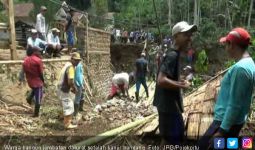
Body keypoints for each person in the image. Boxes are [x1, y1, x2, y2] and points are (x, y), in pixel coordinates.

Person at [198, 28, 255, 149]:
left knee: (203, 146)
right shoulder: (249, 63)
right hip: (235, 121)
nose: (225, 48)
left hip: (225, 123)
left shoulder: (240, 69)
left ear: (232, 45)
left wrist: (221, 132)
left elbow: (235, 104)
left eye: (226, 44)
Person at [153, 21, 197, 145]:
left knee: (168, 139)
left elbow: (166, 77)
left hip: (169, 106)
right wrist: (181, 85)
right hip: (168, 107)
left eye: (190, 35)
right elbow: (161, 80)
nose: (190, 38)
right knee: (174, 140)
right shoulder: (172, 55)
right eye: (186, 34)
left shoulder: (175, 54)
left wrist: (178, 81)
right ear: (176, 36)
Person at [57, 52, 81, 129]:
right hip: (64, 89)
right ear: (72, 59)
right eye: (76, 60)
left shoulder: (66, 65)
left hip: (60, 88)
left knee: (66, 104)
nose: (77, 62)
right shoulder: (71, 68)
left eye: (78, 60)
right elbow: (70, 81)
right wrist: (74, 88)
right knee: (69, 106)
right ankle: (67, 124)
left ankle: (65, 120)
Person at [22, 47, 45, 117]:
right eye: (39, 52)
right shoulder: (38, 60)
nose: (40, 53)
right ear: (35, 52)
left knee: (35, 90)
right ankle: (36, 114)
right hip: (37, 81)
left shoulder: (25, 60)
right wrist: (43, 80)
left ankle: (29, 98)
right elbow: (41, 73)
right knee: (38, 98)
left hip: (30, 81)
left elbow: (24, 71)